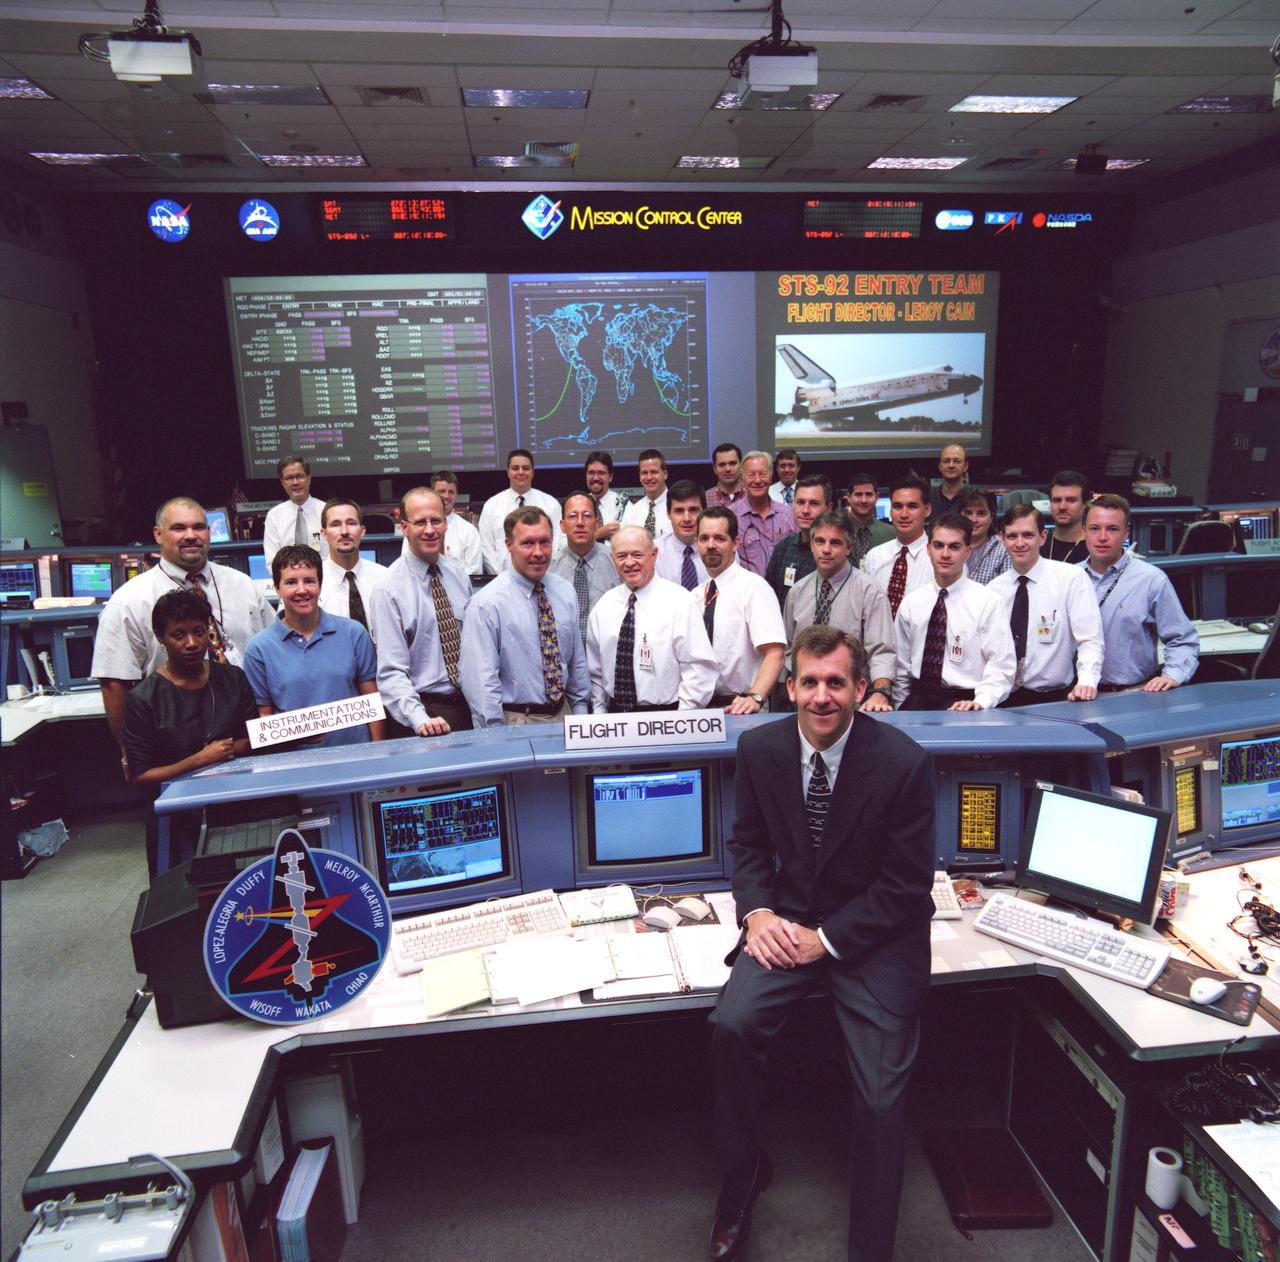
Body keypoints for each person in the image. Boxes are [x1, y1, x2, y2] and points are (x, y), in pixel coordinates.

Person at [706, 625, 934, 1262]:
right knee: (732, 1024)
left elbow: (906, 887)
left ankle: (871, 1247)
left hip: (873, 936)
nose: (822, 697)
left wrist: (826, 940)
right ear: (790, 686)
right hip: (787, 919)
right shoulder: (760, 749)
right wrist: (755, 913)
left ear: (860, 689)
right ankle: (741, 1172)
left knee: (882, 1098)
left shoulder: (903, 763)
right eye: (810, 682)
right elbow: (749, 846)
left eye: (837, 683)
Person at [92, 496, 273, 767]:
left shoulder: (243, 585)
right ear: (158, 534)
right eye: (178, 528)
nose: (191, 536)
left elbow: (273, 652)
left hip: (249, 734)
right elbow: (114, 684)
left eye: (199, 527)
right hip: (178, 746)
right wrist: (131, 754)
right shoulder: (129, 601)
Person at [122, 589, 258, 874]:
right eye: (178, 635)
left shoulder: (233, 678)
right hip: (177, 815)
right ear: (160, 637)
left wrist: (229, 750)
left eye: (199, 632)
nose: (192, 643)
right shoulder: (143, 698)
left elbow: (253, 739)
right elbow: (141, 775)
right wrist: (201, 759)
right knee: (184, 899)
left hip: (235, 803)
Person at [459, 506, 590, 727]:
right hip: (515, 721)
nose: (538, 552)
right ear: (509, 545)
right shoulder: (487, 605)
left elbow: (576, 662)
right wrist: (496, 737)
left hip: (565, 716)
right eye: (527, 543)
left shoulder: (565, 592)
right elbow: (481, 682)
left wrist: (581, 716)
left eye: (544, 542)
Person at [243, 545, 383, 747]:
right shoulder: (258, 649)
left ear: (320, 584)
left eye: (309, 581)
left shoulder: (354, 633)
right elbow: (263, 716)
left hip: (358, 757)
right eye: (291, 582)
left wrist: (377, 752)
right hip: (293, 765)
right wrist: (292, 735)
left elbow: (372, 700)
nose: (302, 590)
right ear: (276, 587)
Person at [367, 486, 473, 735]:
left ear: (446, 524)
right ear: (404, 527)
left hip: (466, 706)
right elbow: (391, 673)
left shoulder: (457, 574)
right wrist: (420, 719)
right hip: (422, 712)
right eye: (420, 522)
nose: (429, 530)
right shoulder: (388, 590)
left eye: (436, 520)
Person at [586, 525, 717, 712]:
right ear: (612, 558)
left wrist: (682, 719)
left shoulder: (680, 602)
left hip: (669, 717)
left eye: (637, 555)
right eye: (622, 556)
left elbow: (699, 668)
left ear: (654, 555)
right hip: (615, 719)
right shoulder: (603, 607)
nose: (629, 563)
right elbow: (596, 674)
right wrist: (600, 716)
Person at [893, 514, 1015, 711]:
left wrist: (981, 702)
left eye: (954, 547)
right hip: (917, 700)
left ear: (968, 551)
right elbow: (901, 666)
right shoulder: (911, 603)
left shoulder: (987, 602)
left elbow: (1001, 666)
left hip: (965, 703)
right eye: (938, 545)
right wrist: (900, 706)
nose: (945, 554)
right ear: (928, 549)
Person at [1082, 494, 1199, 692]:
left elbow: (1182, 639)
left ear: (1126, 534)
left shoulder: (1151, 579)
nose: (1102, 537)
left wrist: (1173, 674)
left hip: (1132, 693)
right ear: (1084, 531)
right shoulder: (1069, 578)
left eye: (1112, 529)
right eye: (1094, 529)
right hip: (1077, 695)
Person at [989, 505, 1103, 705]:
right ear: (1001, 538)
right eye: (1012, 536)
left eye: (1028, 535)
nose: (1020, 543)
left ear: (1043, 537)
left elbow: (1090, 639)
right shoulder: (993, 590)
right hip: (1003, 699)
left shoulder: (1071, 578)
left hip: (1054, 699)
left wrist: (1087, 681)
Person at [783, 510, 895, 713]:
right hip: (806, 700)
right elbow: (789, 648)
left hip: (852, 699)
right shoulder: (797, 592)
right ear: (811, 545)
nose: (826, 550)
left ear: (848, 548)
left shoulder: (869, 591)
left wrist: (881, 693)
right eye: (820, 541)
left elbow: (882, 650)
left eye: (835, 543)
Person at [694, 507, 785, 714]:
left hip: (745, 706)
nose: (710, 545)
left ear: (735, 543)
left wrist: (755, 697)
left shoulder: (754, 588)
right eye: (704, 538)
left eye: (719, 538)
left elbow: (775, 653)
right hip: (701, 709)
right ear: (696, 543)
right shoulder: (695, 596)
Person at [549, 491, 620, 647]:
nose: (580, 522)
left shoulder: (617, 563)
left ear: (596, 523)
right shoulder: (549, 569)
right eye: (573, 516)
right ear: (562, 525)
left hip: (608, 656)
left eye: (586, 516)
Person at [477, 448, 562, 573]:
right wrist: (501, 578)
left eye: (526, 468)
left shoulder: (551, 504)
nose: (521, 472)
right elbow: (486, 547)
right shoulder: (491, 505)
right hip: (502, 580)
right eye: (515, 468)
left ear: (533, 472)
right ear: (508, 472)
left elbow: (557, 545)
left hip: (543, 578)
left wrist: (543, 574)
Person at [863, 474, 933, 617]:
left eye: (912, 506)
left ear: (927, 510)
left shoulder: (940, 559)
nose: (904, 514)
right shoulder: (874, 556)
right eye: (897, 506)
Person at [319, 499, 389, 632]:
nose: (344, 531)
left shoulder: (385, 578)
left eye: (351, 523)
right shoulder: (312, 583)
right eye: (335, 524)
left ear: (362, 531)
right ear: (323, 534)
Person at [763, 474, 831, 609]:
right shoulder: (782, 549)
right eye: (800, 502)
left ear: (828, 508)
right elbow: (769, 601)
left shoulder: (836, 553)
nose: (805, 510)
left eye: (814, 503)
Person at [731, 451, 796, 578]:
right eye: (751, 475)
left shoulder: (788, 514)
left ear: (771, 476)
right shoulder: (731, 516)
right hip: (747, 593)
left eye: (763, 474)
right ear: (742, 479)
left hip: (784, 592)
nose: (757, 480)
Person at [263, 455, 324, 567]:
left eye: (300, 476)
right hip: (289, 581)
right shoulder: (274, 516)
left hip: (324, 580)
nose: (295, 482)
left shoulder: (326, 511)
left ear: (309, 478)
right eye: (289, 478)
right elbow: (272, 561)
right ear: (282, 483)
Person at [655, 479, 709, 590]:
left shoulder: (722, 549)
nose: (687, 518)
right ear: (668, 513)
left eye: (693, 510)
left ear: (704, 511)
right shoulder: (654, 554)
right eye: (679, 511)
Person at [432, 470, 483, 576]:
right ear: (432, 494)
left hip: (459, 591)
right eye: (441, 491)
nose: (446, 496)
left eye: (451, 492)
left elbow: (474, 571)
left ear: (456, 495)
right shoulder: (416, 528)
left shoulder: (469, 531)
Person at [960, 489, 1011, 585]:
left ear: (991, 517)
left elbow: (1007, 591)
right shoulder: (947, 546)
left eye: (981, 513)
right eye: (968, 513)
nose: (973, 520)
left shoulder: (1004, 549)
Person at [844, 472, 894, 569]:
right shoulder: (838, 530)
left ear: (877, 497)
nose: (864, 500)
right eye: (858, 495)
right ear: (849, 497)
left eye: (869, 495)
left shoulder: (891, 534)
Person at [1042, 470, 1090, 565]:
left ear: (1085, 504)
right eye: (1057, 500)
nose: (1062, 507)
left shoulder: (1096, 548)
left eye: (1071, 500)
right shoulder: (1038, 545)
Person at [621, 448, 672, 539]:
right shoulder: (631, 512)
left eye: (654, 472)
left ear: (665, 474)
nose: (649, 477)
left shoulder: (678, 509)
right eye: (644, 473)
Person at [585, 450, 629, 542]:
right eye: (591, 473)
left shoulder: (625, 505)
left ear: (610, 477)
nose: (596, 478)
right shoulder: (579, 505)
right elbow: (564, 544)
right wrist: (598, 534)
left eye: (601, 473)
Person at [928, 443, 969, 518]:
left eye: (957, 461)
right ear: (940, 466)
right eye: (946, 461)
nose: (951, 465)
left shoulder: (975, 497)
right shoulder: (927, 497)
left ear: (965, 466)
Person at [706, 442, 746, 509]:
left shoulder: (753, 494)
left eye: (732, 463)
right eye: (722, 465)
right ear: (715, 469)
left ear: (741, 466)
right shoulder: (706, 498)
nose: (728, 469)